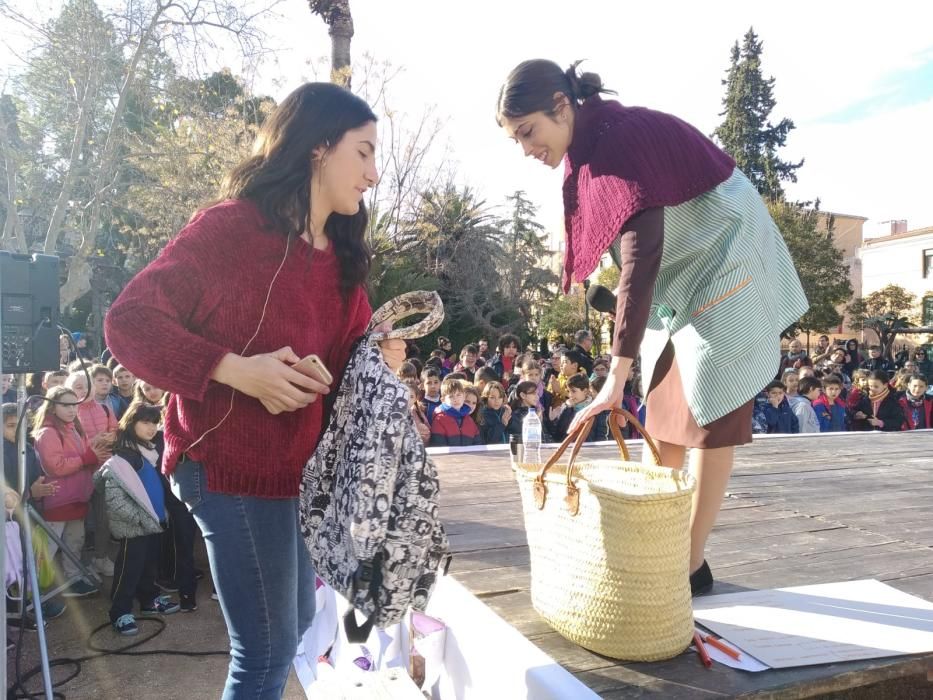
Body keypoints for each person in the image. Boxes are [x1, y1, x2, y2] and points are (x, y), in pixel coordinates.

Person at [104, 83, 406, 698]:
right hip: (226, 468)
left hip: (295, 474)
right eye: (365, 152)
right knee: (265, 651)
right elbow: (128, 322)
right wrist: (236, 369)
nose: (374, 174)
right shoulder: (229, 229)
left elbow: (347, 357)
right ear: (319, 148)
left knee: (292, 623)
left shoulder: (342, 257)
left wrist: (378, 357)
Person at [497, 59, 810, 596]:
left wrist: (613, 376)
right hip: (680, 276)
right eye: (515, 139)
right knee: (663, 412)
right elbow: (622, 254)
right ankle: (658, 546)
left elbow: (641, 260)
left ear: (561, 106)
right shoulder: (586, 155)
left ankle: (688, 563)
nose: (526, 148)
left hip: (727, 251)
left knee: (712, 409)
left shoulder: (621, 140)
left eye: (528, 131)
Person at [95, 402, 181, 635]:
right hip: (135, 526)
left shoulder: (150, 452)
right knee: (129, 569)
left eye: (154, 422)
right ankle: (120, 612)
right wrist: (141, 519)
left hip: (153, 522)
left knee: (148, 565)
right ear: (131, 423)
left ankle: (149, 598)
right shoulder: (124, 456)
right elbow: (115, 499)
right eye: (145, 422)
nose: (151, 427)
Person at [33, 386, 106, 598]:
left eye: (74, 404)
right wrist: (88, 459)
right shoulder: (48, 432)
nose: (72, 409)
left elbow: (84, 456)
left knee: (75, 542)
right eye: (65, 405)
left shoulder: (74, 427)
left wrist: (95, 453)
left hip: (78, 497)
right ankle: (31, 591)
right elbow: (55, 466)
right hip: (58, 499)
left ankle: (72, 580)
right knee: (48, 549)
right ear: (52, 407)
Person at [67, 367, 118, 578]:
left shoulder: (104, 408)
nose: (84, 390)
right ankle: (74, 565)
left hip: (103, 469)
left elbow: (115, 429)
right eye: (78, 387)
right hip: (78, 472)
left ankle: (101, 557)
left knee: (103, 518)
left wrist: (111, 437)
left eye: (87, 386)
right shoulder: (68, 411)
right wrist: (91, 447)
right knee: (76, 522)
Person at [428, 377, 481, 447]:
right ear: (443, 400)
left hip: (469, 457)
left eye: (458, 395)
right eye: (451, 396)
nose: (455, 399)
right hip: (449, 457)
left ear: (463, 397)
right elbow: (438, 445)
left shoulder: (469, 420)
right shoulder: (439, 420)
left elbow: (477, 444)